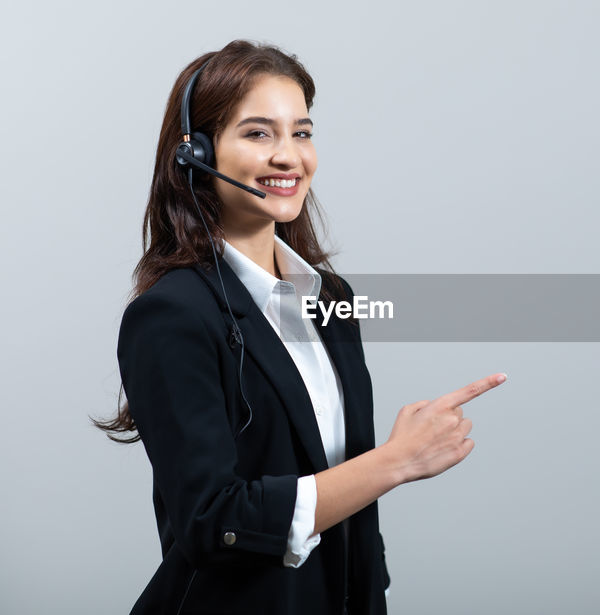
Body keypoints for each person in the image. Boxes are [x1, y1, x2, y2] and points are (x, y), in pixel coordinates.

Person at [94, 40, 507, 614]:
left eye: (302, 132)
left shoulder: (328, 298)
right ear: (196, 153)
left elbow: (347, 504)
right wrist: (396, 460)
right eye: (259, 133)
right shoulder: (172, 315)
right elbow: (213, 522)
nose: (289, 156)